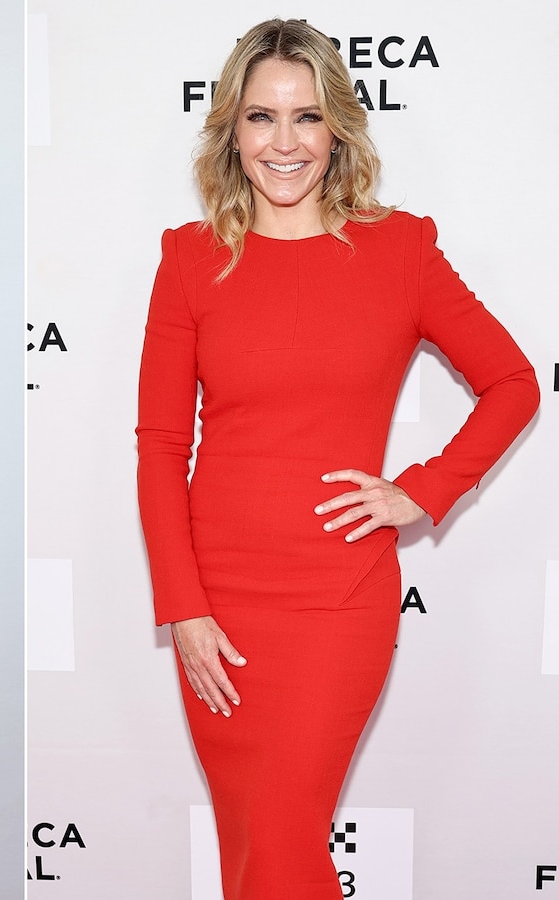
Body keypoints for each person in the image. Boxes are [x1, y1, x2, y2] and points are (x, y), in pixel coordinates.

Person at [136, 18, 538, 900]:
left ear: (338, 130)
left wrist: (420, 492)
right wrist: (184, 609)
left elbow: (513, 382)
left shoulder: (402, 251)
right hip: (218, 612)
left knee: (279, 851)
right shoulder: (190, 260)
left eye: (306, 118)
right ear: (231, 131)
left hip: (336, 599)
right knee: (254, 852)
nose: (284, 144)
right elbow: (163, 447)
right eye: (261, 118)